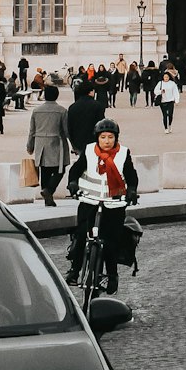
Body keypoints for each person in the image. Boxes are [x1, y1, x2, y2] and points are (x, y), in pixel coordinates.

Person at [67, 118, 139, 293]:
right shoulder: (89, 151)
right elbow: (75, 171)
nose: (107, 141)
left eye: (110, 137)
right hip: (89, 201)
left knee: (111, 242)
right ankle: (75, 270)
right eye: (103, 137)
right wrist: (73, 183)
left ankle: (112, 275)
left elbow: (131, 176)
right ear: (97, 138)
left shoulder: (123, 153)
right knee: (81, 236)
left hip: (114, 204)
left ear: (116, 138)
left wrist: (131, 191)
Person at [27, 83, 71, 207]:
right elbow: (66, 130)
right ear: (56, 96)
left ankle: (47, 195)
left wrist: (30, 146)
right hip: (56, 142)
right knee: (60, 169)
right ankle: (49, 191)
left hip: (41, 143)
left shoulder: (36, 111)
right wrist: (73, 144)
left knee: (44, 170)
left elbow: (32, 130)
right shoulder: (62, 110)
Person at [67, 78, 103, 176]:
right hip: (93, 141)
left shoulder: (72, 107)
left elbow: (69, 127)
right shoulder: (97, 105)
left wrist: (73, 144)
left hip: (78, 141)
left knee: (82, 164)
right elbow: (100, 126)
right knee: (92, 166)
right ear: (90, 92)